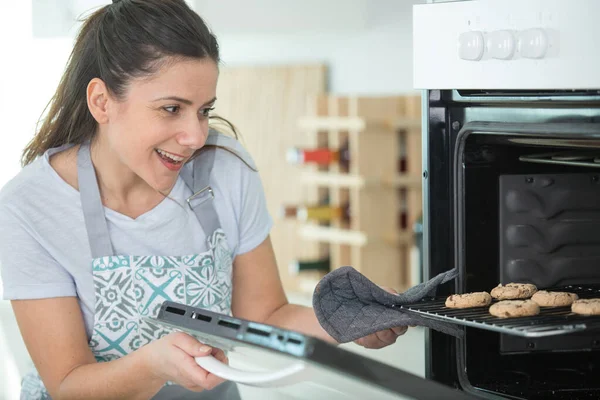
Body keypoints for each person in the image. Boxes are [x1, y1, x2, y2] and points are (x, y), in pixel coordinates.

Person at [0, 0, 408, 399]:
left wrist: (347, 322)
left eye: (203, 110)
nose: (195, 137)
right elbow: (68, 383)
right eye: (171, 108)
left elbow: (264, 316)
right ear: (102, 102)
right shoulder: (31, 206)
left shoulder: (226, 171)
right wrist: (154, 366)